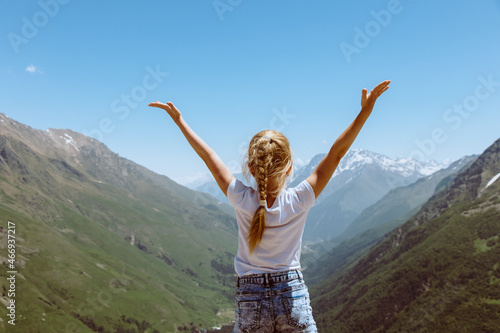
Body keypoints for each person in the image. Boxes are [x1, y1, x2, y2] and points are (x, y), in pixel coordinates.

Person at [148, 80, 390, 332]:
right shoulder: (301, 199)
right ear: (290, 168)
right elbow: (337, 153)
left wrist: (179, 121)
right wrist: (365, 112)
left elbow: (208, 156)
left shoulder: (240, 198)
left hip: (250, 297)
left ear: (251, 168)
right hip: (292, 294)